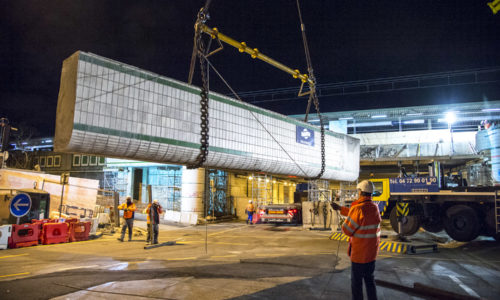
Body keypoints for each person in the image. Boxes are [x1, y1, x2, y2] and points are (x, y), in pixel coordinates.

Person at [331, 180, 381, 300]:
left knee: (356, 283)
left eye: (358, 191)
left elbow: (347, 230)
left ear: (361, 192)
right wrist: (340, 209)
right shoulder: (374, 208)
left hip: (359, 255)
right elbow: (358, 215)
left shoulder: (358, 208)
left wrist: (343, 222)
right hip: (371, 254)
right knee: (370, 281)